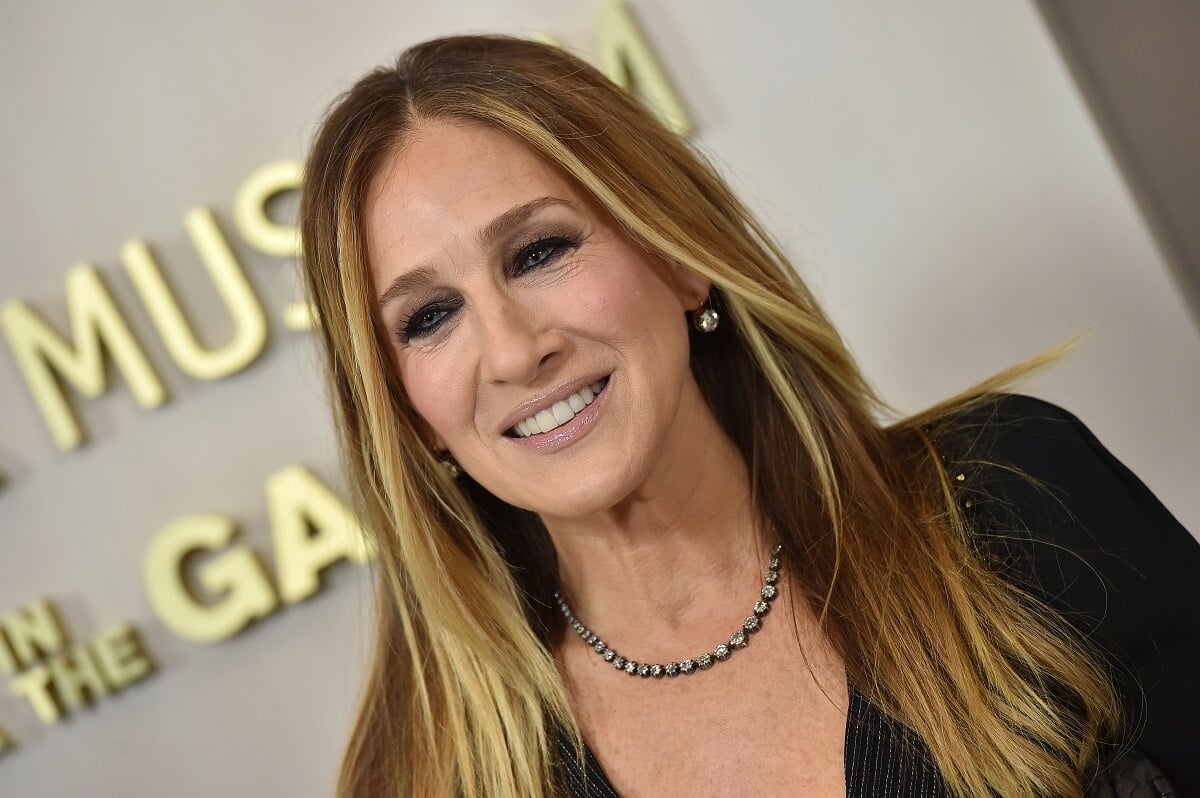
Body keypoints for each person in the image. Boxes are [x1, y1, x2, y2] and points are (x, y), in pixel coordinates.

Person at [299, 35, 1198, 797]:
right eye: (429, 318)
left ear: (678, 257)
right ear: (404, 412)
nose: (510, 350)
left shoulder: (1014, 497)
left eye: (539, 251)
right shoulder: (425, 773)